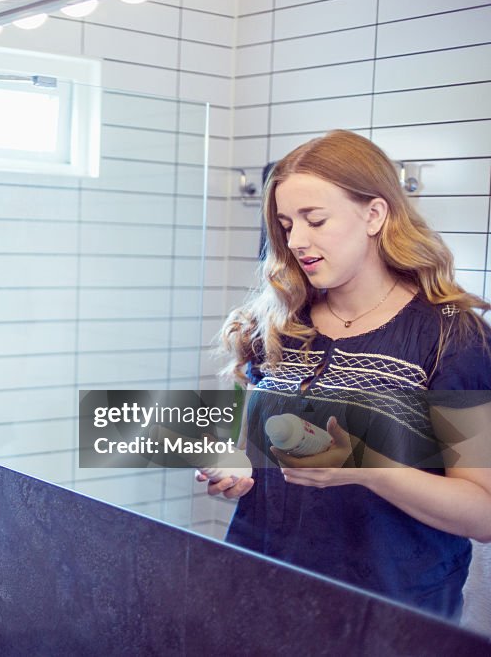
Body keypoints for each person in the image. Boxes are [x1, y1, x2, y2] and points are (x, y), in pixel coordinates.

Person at [210, 129, 491, 619]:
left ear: (375, 215)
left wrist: (368, 470)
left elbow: (483, 512)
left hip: (391, 614)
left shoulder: (453, 336)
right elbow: (251, 446)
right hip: (259, 590)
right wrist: (233, 464)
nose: (296, 240)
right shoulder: (275, 322)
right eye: (285, 223)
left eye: (314, 220)